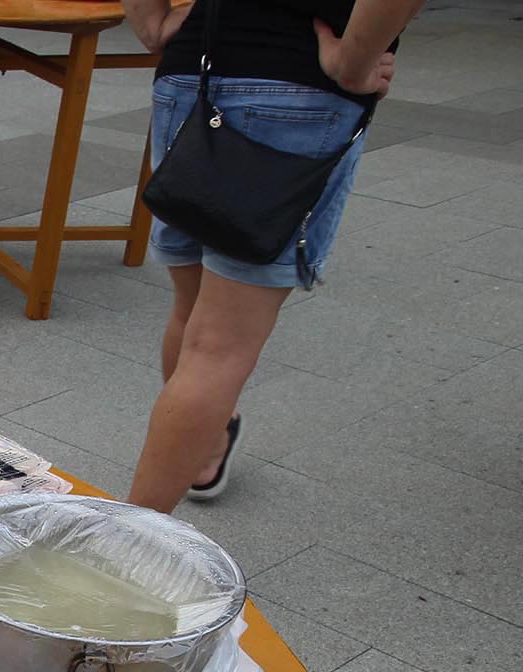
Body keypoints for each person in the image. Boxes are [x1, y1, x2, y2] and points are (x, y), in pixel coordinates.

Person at [121, 0, 424, 511]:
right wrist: (352, 62)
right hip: (299, 86)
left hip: (191, 73)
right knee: (217, 346)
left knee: (193, 315)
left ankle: (205, 447)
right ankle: (126, 541)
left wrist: (152, 23)